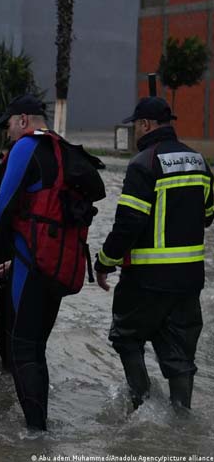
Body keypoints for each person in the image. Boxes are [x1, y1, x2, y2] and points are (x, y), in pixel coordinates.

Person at [0, 94, 97, 431]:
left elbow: (2, 206)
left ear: (23, 120)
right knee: (36, 346)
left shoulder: (26, 148)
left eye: (9, 125)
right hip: (58, 265)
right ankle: (39, 426)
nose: (8, 133)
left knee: (23, 348)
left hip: (33, 265)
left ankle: (35, 437)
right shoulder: (62, 148)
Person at [95, 97, 213, 411]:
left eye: (136, 125)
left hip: (147, 280)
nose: (135, 131)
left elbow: (128, 223)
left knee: (126, 337)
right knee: (180, 354)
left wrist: (104, 262)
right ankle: (180, 419)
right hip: (189, 280)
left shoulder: (143, 164)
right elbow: (209, 214)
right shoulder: (199, 161)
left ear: (146, 125)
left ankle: (141, 404)